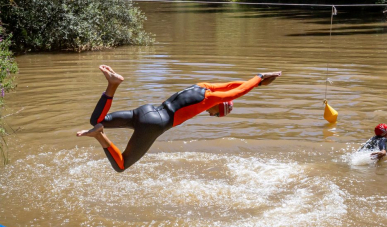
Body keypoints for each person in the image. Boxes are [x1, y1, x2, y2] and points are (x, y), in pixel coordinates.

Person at [77, 65, 282, 172]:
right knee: (122, 165)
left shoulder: (201, 86)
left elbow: (231, 85)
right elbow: (236, 92)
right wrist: (259, 77)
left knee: (97, 119)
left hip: (146, 110)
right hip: (154, 124)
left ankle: (113, 85)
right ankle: (99, 137)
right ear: (217, 107)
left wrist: (260, 84)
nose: (211, 115)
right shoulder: (209, 99)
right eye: (216, 113)